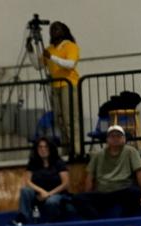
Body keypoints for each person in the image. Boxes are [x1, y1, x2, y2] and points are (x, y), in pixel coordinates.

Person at [75, 125, 141, 218]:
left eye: (119, 136)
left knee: (136, 193)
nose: (115, 138)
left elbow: (140, 173)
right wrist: (88, 193)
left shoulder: (131, 151)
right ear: (107, 139)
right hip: (103, 193)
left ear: (124, 139)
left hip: (123, 191)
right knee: (79, 198)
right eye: (112, 136)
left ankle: (124, 220)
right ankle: (97, 223)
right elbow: (90, 177)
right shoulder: (98, 155)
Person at [40, 22, 81, 159]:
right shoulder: (49, 48)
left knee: (70, 119)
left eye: (57, 28)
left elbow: (70, 64)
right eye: (51, 29)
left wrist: (51, 57)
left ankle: (77, 150)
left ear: (64, 31)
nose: (53, 31)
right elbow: (38, 65)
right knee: (60, 120)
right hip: (54, 86)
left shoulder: (70, 46)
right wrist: (30, 52)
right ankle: (66, 150)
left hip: (68, 84)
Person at [17, 136, 72, 224]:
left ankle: (52, 222)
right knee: (25, 191)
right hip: (39, 195)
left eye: (46, 146)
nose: (43, 149)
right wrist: (41, 191)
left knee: (51, 202)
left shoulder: (58, 162)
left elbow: (65, 184)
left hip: (56, 194)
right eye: (40, 147)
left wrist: (48, 194)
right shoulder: (33, 163)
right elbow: (27, 181)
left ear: (50, 148)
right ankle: (23, 219)